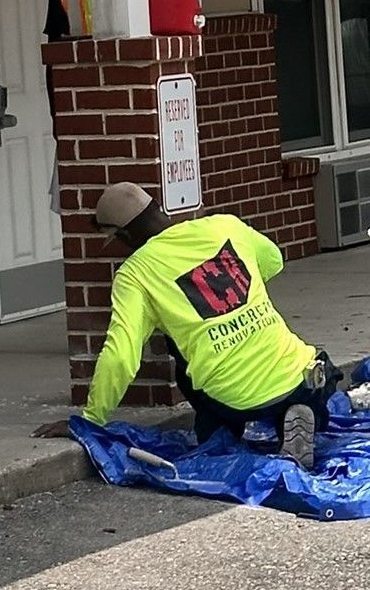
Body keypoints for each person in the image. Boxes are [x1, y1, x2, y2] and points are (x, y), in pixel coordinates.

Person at [33, 183, 339, 468]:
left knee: (180, 350)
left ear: (125, 236)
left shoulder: (136, 273)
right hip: (298, 378)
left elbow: (121, 356)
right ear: (159, 210)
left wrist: (91, 421)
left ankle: (220, 434)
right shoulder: (224, 225)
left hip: (230, 398)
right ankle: (292, 415)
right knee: (319, 375)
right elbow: (273, 260)